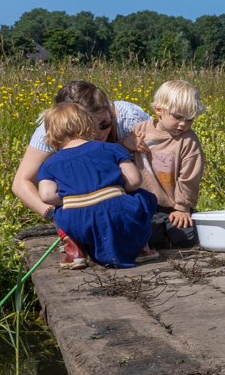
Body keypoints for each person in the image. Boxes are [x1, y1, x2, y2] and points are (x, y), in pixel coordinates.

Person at [12, 79, 153, 267]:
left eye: (104, 124)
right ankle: (138, 244)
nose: (99, 135)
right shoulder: (50, 128)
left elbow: (46, 194)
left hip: (77, 218)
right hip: (119, 207)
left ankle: (74, 243)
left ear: (111, 111)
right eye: (92, 129)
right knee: (142, 198)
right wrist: (53, 216)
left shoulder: (130, 116)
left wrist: (70, 207)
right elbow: (21, 182)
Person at [36, 103, 159, 268]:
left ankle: (75, 251)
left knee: (59, 211)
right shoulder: (111, 148)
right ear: (89, 124)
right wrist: (118, 191)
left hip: (78, 224)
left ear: (51, 133)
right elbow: (135, 180)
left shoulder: (48, 164)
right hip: (119, 214)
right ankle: (139, 248)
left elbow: (47, 196)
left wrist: (73, 198)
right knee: (144, 197)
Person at [132, 80, 205, 248]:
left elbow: (189, 177)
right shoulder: (139, 130)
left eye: (190, 119)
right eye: (177, 117)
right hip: (145, 203)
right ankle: (162, 233)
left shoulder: (188, 140)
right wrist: (127, 143)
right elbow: (124, 157)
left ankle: (187, 220)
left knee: (185, 239)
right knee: (151, 239)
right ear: (159, 110)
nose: (183, 124)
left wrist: (183, 207)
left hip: (173, 204)